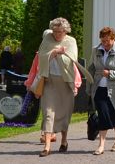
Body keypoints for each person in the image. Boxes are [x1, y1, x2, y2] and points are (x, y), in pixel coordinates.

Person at [36, 17, 81, 157]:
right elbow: (41, 56)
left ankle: (64, 141)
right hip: (49, 82)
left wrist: (61, 53)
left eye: (60, 31)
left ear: (65, 31)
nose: (56, 34)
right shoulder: (47, 39)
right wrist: (54, 52)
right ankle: (47, 146)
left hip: (65, 82)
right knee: (48, 113)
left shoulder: (71, 41)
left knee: (64, 113)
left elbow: (72, 58)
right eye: (54, 31)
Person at [87, 26, 115, 155]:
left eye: (107, 41)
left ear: (113, 39)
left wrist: (111, 73)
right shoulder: (95, 50)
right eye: (103, 40)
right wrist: (89, 89)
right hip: (99, 89)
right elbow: (90, 69)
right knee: (103, 116)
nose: (105, 43)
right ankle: (101, 145)